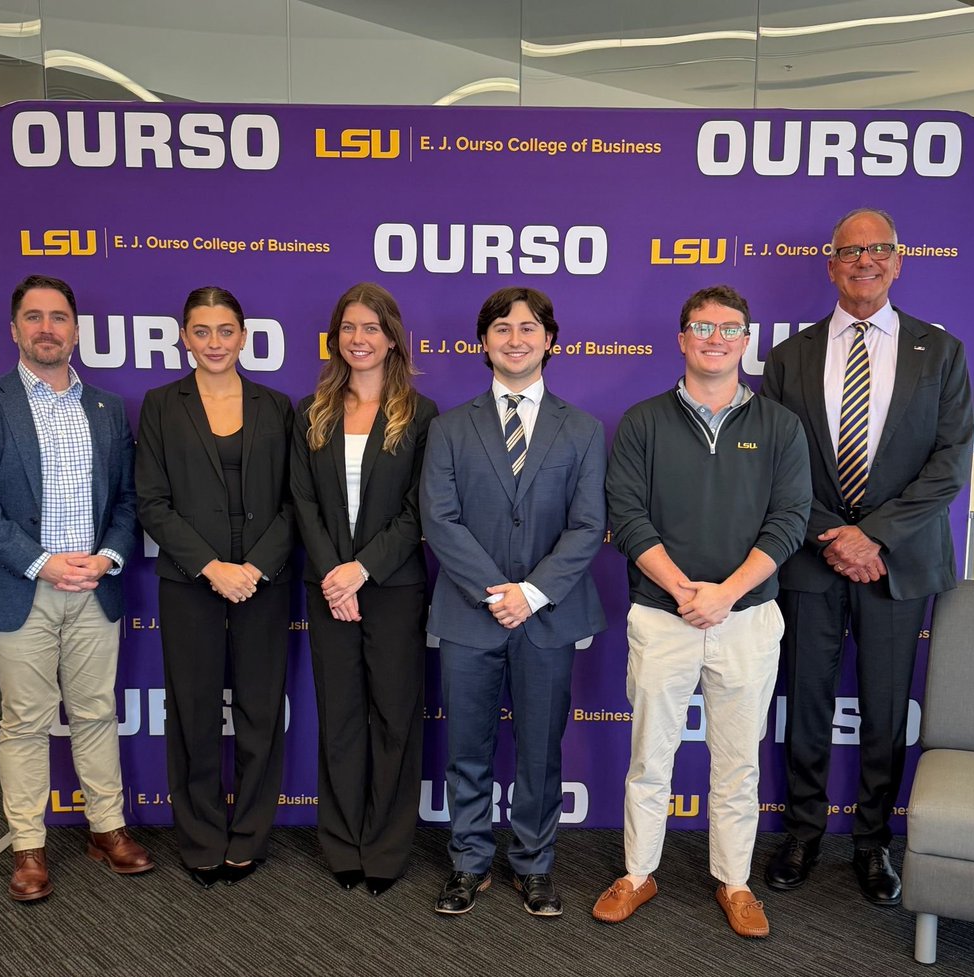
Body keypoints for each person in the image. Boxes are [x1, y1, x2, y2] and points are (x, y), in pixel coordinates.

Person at [761, 208, 974, 905]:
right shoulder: (791, 356)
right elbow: (778, 466)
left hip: (899, 560)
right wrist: (835, 536)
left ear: (898, 260)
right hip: (811, 558)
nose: (865, 261)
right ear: (831, 265)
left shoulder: (938, 352)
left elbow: (949, 464)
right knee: (807, 701)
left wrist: (874, 535)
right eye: (851, 251)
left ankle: (875, 841)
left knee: (887, 708)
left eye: (878, 249)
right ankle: (800, 833)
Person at [592, 285, 810, 936]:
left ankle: (735, 882)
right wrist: (687, 590)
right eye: (702, 327)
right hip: (663, 615)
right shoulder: (643, 421)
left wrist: (726, 593)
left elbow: (790, 519)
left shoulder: (779, 426)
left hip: (746, 618)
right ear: (681, 338)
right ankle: (638, 872)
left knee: (739, 761)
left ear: (747, 341)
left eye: (729, 328)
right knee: (649, 758)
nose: (715, 338)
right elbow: (626, 515)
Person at [0, 274, 152, 902]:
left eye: (58, 317)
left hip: (95, 588)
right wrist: (42, 563)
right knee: (26, 722)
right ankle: (29, 846)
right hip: (20, 587)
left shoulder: (108, 407)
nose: (46, 328)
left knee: (94, 713)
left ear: (75, 329)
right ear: (13, 330)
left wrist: (110, 555)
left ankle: (107, 829)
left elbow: (126, 499)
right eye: (33, 317)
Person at [421, 286, 607, 918]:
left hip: (547, 618)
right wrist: (496, 592)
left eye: (529, 328)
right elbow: (440, 520)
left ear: (550, 340)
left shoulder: (581, 430)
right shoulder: (448, 428)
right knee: (466, 749)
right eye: (502, 327)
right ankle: (469, 864)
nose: (516, 338)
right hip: (470, 615)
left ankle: (534, 865)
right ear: (483, 342)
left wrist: (529, 593)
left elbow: (588, 527)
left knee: (539, 751)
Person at [135, 285, 294, 890]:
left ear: (243, 336)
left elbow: (294, 501)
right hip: (190, 579)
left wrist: (254, 567)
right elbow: (151, 502)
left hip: (263, 579)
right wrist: (211, 566)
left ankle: (249, 834)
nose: (214, 343)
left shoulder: (277, 405)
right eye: (201, 331)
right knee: (194, 713)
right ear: (183, 337)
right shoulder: (160, 404)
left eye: (225, 331)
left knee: (259, 712)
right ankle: (201, 835)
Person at [291, 283, 438, 897]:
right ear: (335, 337)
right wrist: (335, 575)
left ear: (392, 337)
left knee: (394, 717)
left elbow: (418, 510)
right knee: (342, 717)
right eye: (349, 327)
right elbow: (302, 502)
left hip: (394, 587)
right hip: (329, 589)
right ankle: (344, 842)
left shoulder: (421, 414)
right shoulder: (312, 411)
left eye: (371, 328)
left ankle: (386, 846)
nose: (359, 339)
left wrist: (362, 570)